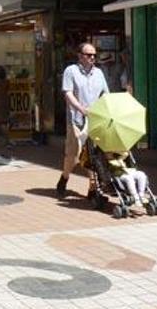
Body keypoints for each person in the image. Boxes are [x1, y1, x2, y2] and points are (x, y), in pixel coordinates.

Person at [58, 42, 109, 198]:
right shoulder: (71, 71)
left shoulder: (99, 73)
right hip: (77, 120)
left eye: (94, 55)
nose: (92, 58)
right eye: (89, 55)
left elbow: (105, 94)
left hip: (95, 121)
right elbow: (68, 93)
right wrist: (81, 109)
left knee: (91, 155)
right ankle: (64, 178)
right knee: (73, 156)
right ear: (80, 56)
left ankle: (93, 188)